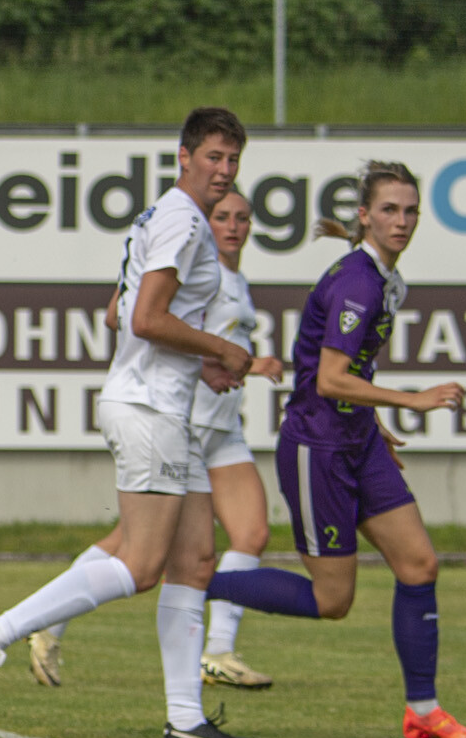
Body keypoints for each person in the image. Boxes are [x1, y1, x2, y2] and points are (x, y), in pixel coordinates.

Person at [0, 107, 255, 738]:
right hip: (148, 409)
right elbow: (144, 318)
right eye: (213, 157)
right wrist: (220, 349)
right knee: (142, 565)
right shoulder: (182, 218)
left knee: (196, 560)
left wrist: (195, 361)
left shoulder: (164, 216)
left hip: (164, 404)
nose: (224, 170)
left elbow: (117, 310)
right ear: (183, 156)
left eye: (233, 159)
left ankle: (186, 718)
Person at [200, 163, 466, 738]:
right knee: (332, 600)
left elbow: (350, 369)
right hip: (319, 448)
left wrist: (375, 420)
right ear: (365, 216)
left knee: (419, 565)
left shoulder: (385, 278)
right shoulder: (358, 282)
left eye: (410, 211)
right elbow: (330, 379)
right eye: (389, 210)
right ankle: (196, 580)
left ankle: (423, 712)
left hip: (357, 439)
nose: (401, 221)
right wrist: (411, 400)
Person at [26, 187, 286, 690]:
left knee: (252, 533)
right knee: (133, 546)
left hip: (223, 424)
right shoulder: (188, 261)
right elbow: (120, 314)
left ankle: (218, 651)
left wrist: (238, 363)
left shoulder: (234, 277)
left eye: (243, 217)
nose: (233, 226)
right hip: (185, 417)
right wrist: (241, 361)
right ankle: (43, 623)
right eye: (223, 217)